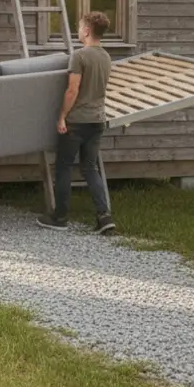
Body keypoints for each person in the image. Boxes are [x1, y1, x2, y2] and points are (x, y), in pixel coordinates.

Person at [37, 12, 116, 234]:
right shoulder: (106, 57)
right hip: (98, 120)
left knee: (63, 168)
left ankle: (60, 217)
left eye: (80, 27)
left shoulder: (79, 56)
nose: (79, 31)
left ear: (88, 31)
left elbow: (72, 90)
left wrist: (62, 116)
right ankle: (104, 216)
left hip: (77, 122)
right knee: (90, 168)